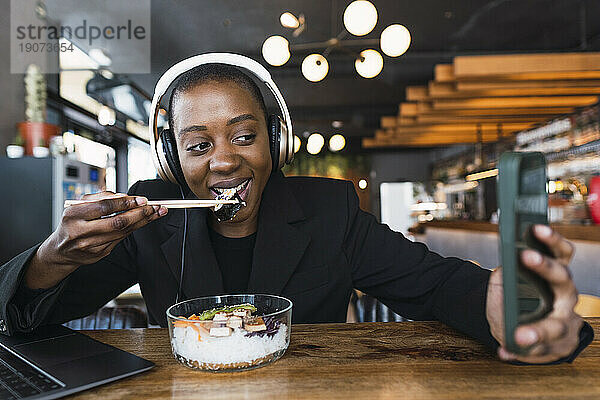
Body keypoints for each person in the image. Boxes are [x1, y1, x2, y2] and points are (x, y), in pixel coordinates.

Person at [0, 60, 592, 365]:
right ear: (174, 160)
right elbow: (27, 320)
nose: (225, 161)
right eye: (199, 145)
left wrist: (515, 311)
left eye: (243, 135)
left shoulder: (328, 210)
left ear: (273, 142)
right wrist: (54, 258)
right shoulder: (153, 217)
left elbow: (437, 286)